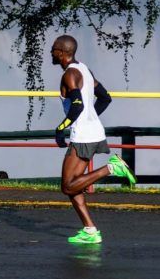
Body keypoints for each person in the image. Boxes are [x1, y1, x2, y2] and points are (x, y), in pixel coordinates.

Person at [51, 35, 136, 244]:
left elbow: (77, 106)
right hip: (92, 131)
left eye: (53, 49)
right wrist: (91, 118)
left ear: (62, 52)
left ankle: (112, 168)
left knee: (67, 186)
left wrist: (60, 128)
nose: (51, 53)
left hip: (83, 136)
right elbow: (105, 97)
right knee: (73, 185)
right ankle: (90, 231)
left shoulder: (70, 74)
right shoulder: (84, 70)